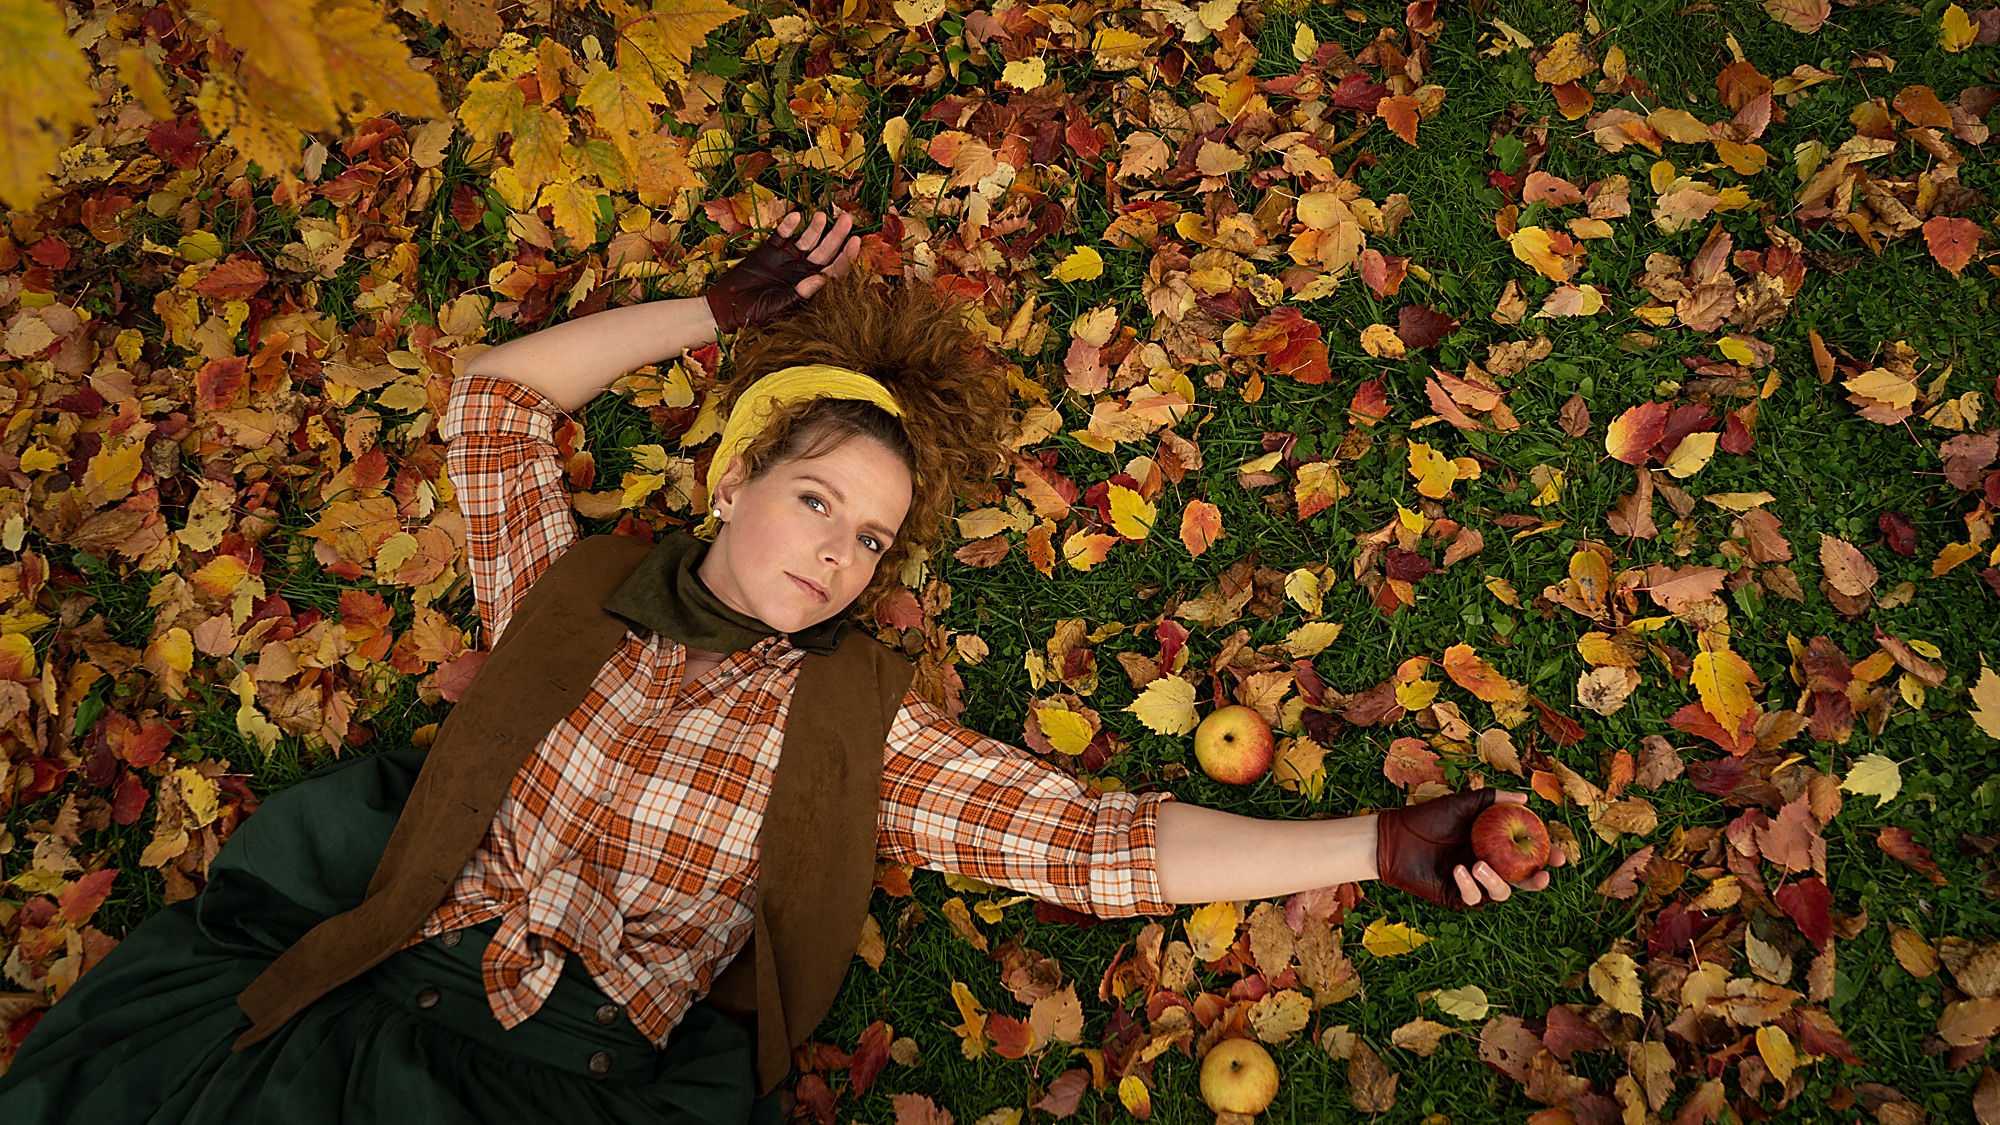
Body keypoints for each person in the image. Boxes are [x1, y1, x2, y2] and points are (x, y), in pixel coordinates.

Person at [0, 208, 1560, 1123]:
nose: (836, 554)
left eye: (872, 540)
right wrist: (707, 312)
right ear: (734, 481)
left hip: (555, 1080)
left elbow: (1097, 844)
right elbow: (491, 405)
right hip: (371, 974)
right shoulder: (572, 591)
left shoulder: (851, 726)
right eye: (817, 500)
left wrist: (1369, 844)